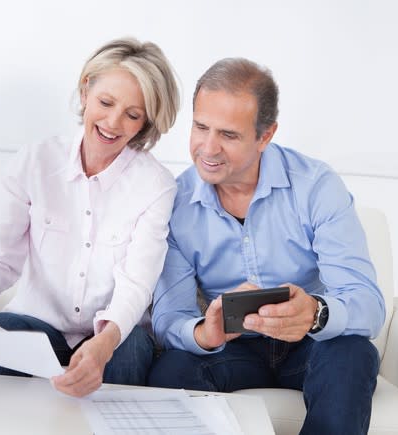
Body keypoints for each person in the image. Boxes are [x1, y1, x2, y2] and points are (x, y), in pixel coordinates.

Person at [0, 37, 180, 398]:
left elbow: (136, 283)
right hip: (38, 324)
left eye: (133, 115)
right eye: (106, 102)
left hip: (112, 333)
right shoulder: (34, 162)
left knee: (132, 347)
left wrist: (104, 343)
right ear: (86, 88)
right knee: (2, 329)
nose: (113, 122)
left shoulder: (156, 185)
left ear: (146, 123)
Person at [148, 58, 385, 434]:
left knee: (353, 353)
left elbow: (368, 305)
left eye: (228, 134)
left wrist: (314, 313)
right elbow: (168, 319)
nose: (208, 148)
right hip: (233, 350)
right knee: (172, 369)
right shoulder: (175, 202)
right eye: (200, 126)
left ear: (265, 135)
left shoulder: (316, 186)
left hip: (310, 345)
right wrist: (203, 334)